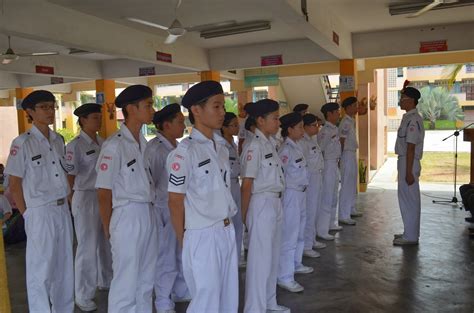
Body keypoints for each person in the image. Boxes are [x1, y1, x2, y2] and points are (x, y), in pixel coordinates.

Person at [167, 80, 238, 313]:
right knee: (206, 302)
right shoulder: (184, 153)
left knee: (228, 299)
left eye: (223, 106)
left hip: (226, 230)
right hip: (202, 235)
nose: (223, 112)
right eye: (216, 106)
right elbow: (175, 202)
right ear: (196, 110)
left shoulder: (221, 147)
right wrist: (184, 241)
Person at [5, 90, 74, 313]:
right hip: (40, 211)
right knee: (40, 269)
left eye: (51, 106)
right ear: (30, 112)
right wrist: (27, 214)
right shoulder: (22, 143)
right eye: (43, 107)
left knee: (64, 267)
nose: (49, 111)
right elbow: (15, 183)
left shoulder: (58, 140)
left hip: (62, 209)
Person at [95, 85, 157, 312]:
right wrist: (109, 228)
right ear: (131, 108)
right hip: (127, 215)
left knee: (146, 277)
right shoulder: (114, 146)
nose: (153, 109)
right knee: (126, 279)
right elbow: (103, 192)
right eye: (148, 105)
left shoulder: (143, 143)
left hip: (147, 211)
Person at [241, 99, 288, 313]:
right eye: (275, 118)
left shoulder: (270, 142)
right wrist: (245, 217)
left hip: (275, 202)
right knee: (260, 261)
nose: (278, 122)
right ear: (260, 120)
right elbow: (247, 184)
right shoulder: (254, 147)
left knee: (272, 256)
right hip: (261, 204)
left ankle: (270, 302)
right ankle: (255, 308)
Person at [65, 103, 112, 311]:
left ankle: (106, 279)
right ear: (83, 120)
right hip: (84, 196)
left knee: (105, 241)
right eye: (94, 117)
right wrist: (72, 200)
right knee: (87, 245)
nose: (99, 120)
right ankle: (83, 294)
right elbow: (69, 177)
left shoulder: (104, 142)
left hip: (103, 195)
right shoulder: (74, 146)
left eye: (99, 117)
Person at [145, 103, 188, 313]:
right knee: (165, 256)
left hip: (180, 207)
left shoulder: (179, 147)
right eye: (179, 122)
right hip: (163, 208)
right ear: (166, 125)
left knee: (181, 251)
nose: (184, 125)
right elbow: (149, 181)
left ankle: (179, 291)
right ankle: (163, 301)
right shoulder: (155, 149)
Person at [277, 112, 313, 293]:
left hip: (301, 194)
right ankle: (284, 276)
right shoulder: (285, 150)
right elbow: (280, 175)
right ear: (289, 129)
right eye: (298, 127)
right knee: (289, 236)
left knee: (299, 231)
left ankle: (296, 264)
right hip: (290, 195)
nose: (302, 130)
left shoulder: (297, 146)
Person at [393, 83, 425, 246]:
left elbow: (411, 146)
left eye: (403, 98)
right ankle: (409, 232)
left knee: (409, 200)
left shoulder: (413, 120)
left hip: (409, 162)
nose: (400, 101)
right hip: (406, 161)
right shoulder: (408, 118)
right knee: (406, 199)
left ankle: (411, 237)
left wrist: (408, 172)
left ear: (411, 101)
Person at [221, 112, 245, 265]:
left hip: (236, 183)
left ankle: (236, 258)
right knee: (228, 224)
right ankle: (229, 260)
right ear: (224, 127)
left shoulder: (233, 143)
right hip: (226, 185)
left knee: (238, 222)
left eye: (237, 124)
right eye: (234, 125)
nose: (237, 127)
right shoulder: (220, 145)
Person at [301, 113, 326, 258]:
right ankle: (306, 245)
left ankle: (312, 239)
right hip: (310, 179)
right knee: (310, 211)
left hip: (317, 176)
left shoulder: (311, 140)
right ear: (305, 127)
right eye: (314, 125)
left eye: (318, 125)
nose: (317, 128)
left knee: (316, 209)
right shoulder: (303, 142)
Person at [317, 102, 341, 241]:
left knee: (333, 196)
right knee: (326, 197)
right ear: (329, 114)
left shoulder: (334, 129)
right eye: (336, 112)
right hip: (327, 165)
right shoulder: (325, 131)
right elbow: (321, 148)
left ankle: (331, 223)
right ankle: (322, 229)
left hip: (334, 164)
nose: (338, 114)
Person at [338, 97, 361, 226]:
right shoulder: (346, 122)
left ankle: (351, 208)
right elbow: (341, 140)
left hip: (351, 154)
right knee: (346, 184)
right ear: (349, 107)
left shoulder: (351, 121)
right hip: (346, 155)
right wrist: (340, 157)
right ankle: (343, 215)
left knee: (352, 183)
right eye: (355, 106)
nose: (357, 108)